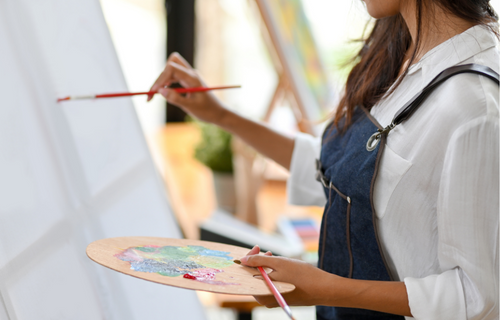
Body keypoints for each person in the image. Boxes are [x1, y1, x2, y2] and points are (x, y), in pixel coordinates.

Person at [149, 0, 499, 319]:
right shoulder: (402, 50)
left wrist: (323, 288)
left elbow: (478, 295)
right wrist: (220, 115)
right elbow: (335, 170)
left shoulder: (475, 107)